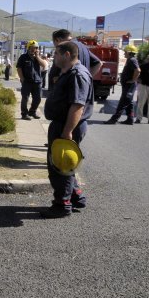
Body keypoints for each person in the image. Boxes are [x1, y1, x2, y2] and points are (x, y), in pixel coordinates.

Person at [41, 41, 93, 218]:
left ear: (67, 55)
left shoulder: (78, 74)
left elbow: (77, 106)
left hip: (67, 126)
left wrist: (67, 132)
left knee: (60, 166)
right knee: (63, 165)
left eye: (56, 53)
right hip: (62, 124)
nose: (54, 57)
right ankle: (75, 196)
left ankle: (62, 205)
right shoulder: (69, 72)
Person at [105, 44, 140, 124]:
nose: (124, 53)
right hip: (128, 86)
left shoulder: (132, 60)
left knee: (123, 102)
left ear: (129, 52)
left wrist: (133, 80)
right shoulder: (130, 60)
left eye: (125, 52)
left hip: (129, 86)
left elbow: (138, 70)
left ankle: (114, 119)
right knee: (129, 102)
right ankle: (130, 119)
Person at [16, 40, 48, 120]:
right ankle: (24, 114)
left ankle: (32, 111)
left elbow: (44, 65)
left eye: (36, 48)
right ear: (28, 48)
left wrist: (37, 56)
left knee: (38, 98)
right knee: (25, 98)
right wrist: (22, 79)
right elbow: (19, 68)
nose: (34, 49)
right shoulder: (23, 57)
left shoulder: (38, 57)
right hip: (27, 82)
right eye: (33, 48)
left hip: (37, 82)